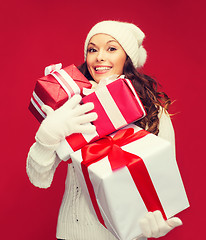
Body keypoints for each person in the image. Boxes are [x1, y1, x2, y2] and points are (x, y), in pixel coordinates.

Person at [27, 20, 183, 240]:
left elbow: (164, 178)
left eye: (111, 48)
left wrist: (158, 220)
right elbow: (37, 176)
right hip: (73, 233)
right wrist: (47, 136)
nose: (99, 56)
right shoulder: (72, 106)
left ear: (127, 58)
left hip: (126, 235)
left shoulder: (153, 111)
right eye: (93, 49)